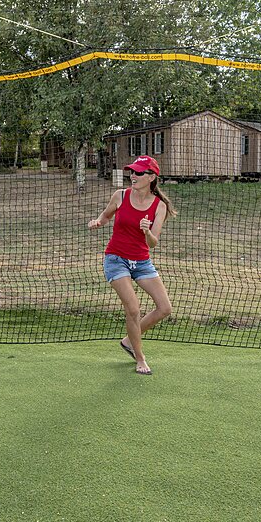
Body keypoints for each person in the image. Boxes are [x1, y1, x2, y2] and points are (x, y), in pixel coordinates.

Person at [88, 155, 176, 375]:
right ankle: (140, 357)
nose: (133, 176)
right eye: (132, 172)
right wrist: (99, 222)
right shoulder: (120, 195)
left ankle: (128, 341)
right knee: (133, 309)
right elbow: (107, 215)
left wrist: (146, 231)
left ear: (152, 177)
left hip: (142, 262)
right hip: (116, 260)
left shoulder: (159, 206)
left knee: (165, 308)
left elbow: (153, 243)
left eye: (138, 173)